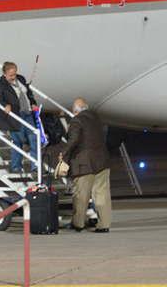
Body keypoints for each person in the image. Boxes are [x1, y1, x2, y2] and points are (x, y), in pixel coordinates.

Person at [60, 98, 111, 232]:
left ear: (75, 111)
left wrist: (64, 154)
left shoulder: (77, 120)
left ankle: (78, 224)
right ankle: (104, 225)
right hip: (102, 161)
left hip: (85, 164)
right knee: (102, 194)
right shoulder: (97, 119)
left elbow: (74, 140)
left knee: (81, 195)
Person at [0, 62, 39, 173]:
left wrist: (33, 103)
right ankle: (16, 166)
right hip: (15, 115)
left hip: (27, 113)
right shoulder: (0, 85)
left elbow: (28, 93)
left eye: (15, 73)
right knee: (18, 141)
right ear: (5, 74)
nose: (13, 77)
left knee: (34, 138)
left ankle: (35, 166)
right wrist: (5, 105)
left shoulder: (21, 79)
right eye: (11, 75)